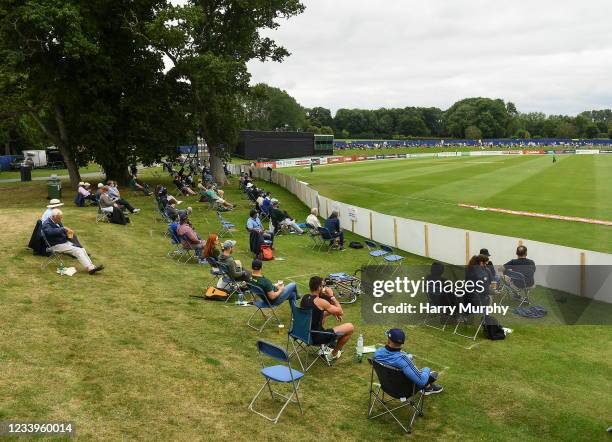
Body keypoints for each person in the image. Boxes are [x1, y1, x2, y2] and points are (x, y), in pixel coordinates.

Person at [373, 329, 444, 395]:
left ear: (389, 339)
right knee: (431, 375)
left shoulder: (378, 352)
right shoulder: (403, 360)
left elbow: (392, 356)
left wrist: (406, 356)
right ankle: (428, 388)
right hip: (404, 391)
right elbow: (422, 381)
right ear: (402, 343)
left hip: (386, 386)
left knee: (414, 372)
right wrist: (426, 369)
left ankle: (428, 387)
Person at [300, 276, 354, 362]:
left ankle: (327, 348)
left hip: (302, 333)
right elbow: (340, 312)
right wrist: (332, 296)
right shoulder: (321, 302)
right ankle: (333, 354)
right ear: (319, 287)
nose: (324, 288)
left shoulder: (305, 297)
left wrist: (331, 312)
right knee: (350, 327)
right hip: (315, 337)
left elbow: (318, 311)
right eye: (323, 286)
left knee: (324, 313)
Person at [42, 209, 104, 275]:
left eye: (61, 218)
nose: (60, 220)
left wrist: (69, 233)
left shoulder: (57, 221)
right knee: (77, 250)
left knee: (81, 249)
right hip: (55, 245)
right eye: (59, 218)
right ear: (53, 217)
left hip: (62, 242)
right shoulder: (46, 224)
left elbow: (62, 230)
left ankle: (92, 267)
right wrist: (63, 229)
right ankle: (90, 268)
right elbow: (50, 232)